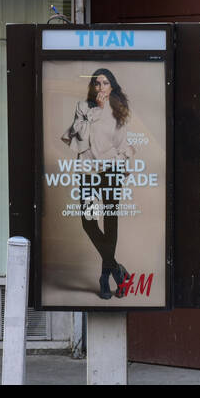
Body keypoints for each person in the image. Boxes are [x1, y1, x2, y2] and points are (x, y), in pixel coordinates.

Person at [62, 68, 135, 299]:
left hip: (111, 170)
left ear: (112, 86)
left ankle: (104, 277)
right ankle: (117, 270)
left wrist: (122, 167)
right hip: (88, 172)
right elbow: (80, 139)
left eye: (105, 83)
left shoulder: (118, 111)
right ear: (92, 87)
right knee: (89, 221)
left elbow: (122, 144)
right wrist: (94, 113)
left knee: (110, 221)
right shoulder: (83, 108)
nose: (100, 87)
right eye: (96, 83)